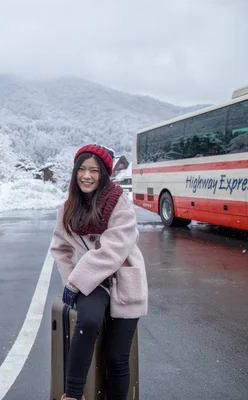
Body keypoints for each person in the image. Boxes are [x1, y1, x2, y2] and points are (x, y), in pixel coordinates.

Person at [51, 144, 148, 400]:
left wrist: (75, 283)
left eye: (94, 170)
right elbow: (60, 248)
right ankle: (72, 395)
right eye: (81, 169)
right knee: (89, 321)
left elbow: (113, 251)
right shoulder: (68, 208)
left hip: (124, 277)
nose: (86, 176)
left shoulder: (120, 204)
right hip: (95, 280)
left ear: (103, 174)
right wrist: (72, 278)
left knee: (116, 357)